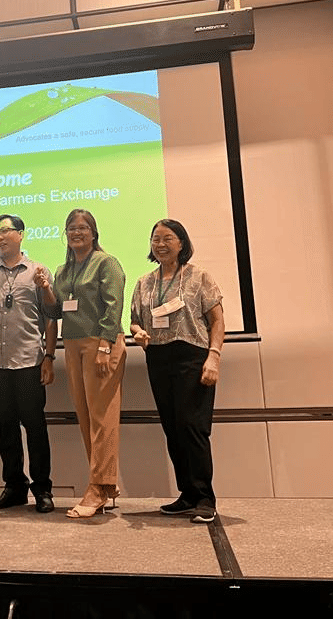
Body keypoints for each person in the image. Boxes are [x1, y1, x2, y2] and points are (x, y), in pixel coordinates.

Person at [130, 219, 224, 524]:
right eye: (155, 238)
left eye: (167, 238)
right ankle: (187, 495)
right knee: (172, 427)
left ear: (181, 243)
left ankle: (205, 497)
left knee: (192, 427)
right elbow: (134, 321)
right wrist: (137, 332)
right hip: (158, 357)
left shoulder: (199, 276)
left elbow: (217, 321)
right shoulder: (144, 282)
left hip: (192, 356)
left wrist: (214, 357)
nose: (160, 244)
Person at [36, 209, 127, 518]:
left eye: (82, 228)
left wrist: (104, 345)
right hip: (72, 345)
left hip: (101, 343)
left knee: (103, 417)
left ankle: (98, 488)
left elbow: (114, 307)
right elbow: (57, 310)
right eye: (71, 228)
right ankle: (103, 486)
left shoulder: (106, 263)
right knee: (87, 417)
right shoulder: (62, 271)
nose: (76, 233)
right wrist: (46, 289)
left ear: (93, 232)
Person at [0, 214, 57, 514]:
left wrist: (49, 357)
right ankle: (14, 486)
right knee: (6, 427)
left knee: (35, 427)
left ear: (21, 234)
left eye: (5, 231)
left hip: (29, 360)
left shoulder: (37, 271)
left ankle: (43, 489)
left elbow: (50, 316)